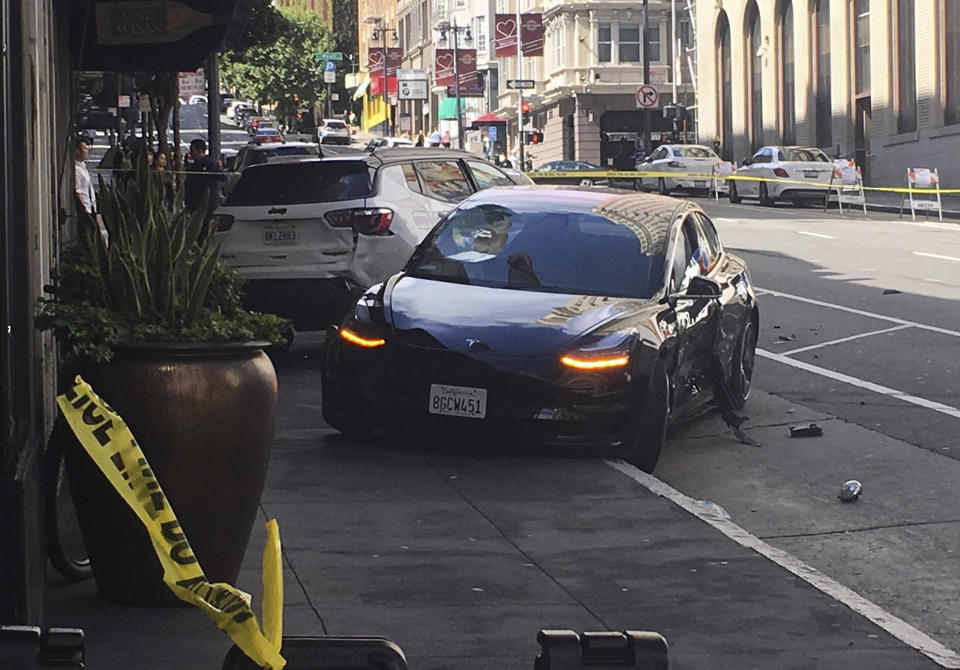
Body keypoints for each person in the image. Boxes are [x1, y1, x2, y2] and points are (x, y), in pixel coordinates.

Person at [184, 139, 225, 240]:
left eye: (192, 150)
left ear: (200, 151)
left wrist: (220, 169)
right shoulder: (192, 165)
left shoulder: (209, 163)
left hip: (206, 203)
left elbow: (222, 177)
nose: (190, 152)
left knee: (203, 229)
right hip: (194, 202)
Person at [74, 138, 96, 214]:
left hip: (91, 208)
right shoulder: (76, 170)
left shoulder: (83, 167)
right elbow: (78, 191)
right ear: (77, 151)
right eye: (84, 148)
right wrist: (84, 210)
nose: (87, 151)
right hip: (86, 210)